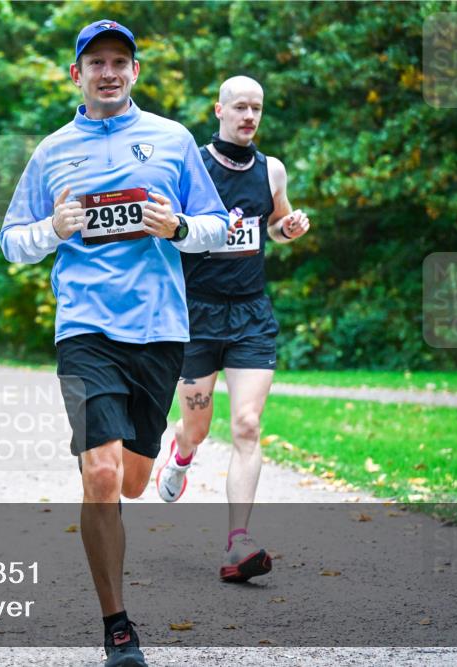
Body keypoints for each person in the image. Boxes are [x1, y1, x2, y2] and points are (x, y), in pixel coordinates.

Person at [0, 20, 229, 667]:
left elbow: (217, 226)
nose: (108, 72)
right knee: (100, 474)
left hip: (159, 328)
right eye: (96, 62)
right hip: (85, 328)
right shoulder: (52, 151)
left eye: (119, 62)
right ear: (77, 74)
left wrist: (178, 225)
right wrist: (52, 227)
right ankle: (118, 626)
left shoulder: (172, 140)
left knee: (130, 481)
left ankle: (146, 457)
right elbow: (12, 241)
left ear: (134, 72)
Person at [156, 76, 310, 583]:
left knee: (247, 424)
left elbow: (274, 224)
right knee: (197, 428)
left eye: (256, 108)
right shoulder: (193, 165)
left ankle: (238, 541)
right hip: (196, 316)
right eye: (240, 107)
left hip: (250, 316)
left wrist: (287, 229)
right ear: (219, 109)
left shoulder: (272, 169)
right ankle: (181, 454)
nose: (249, 116)